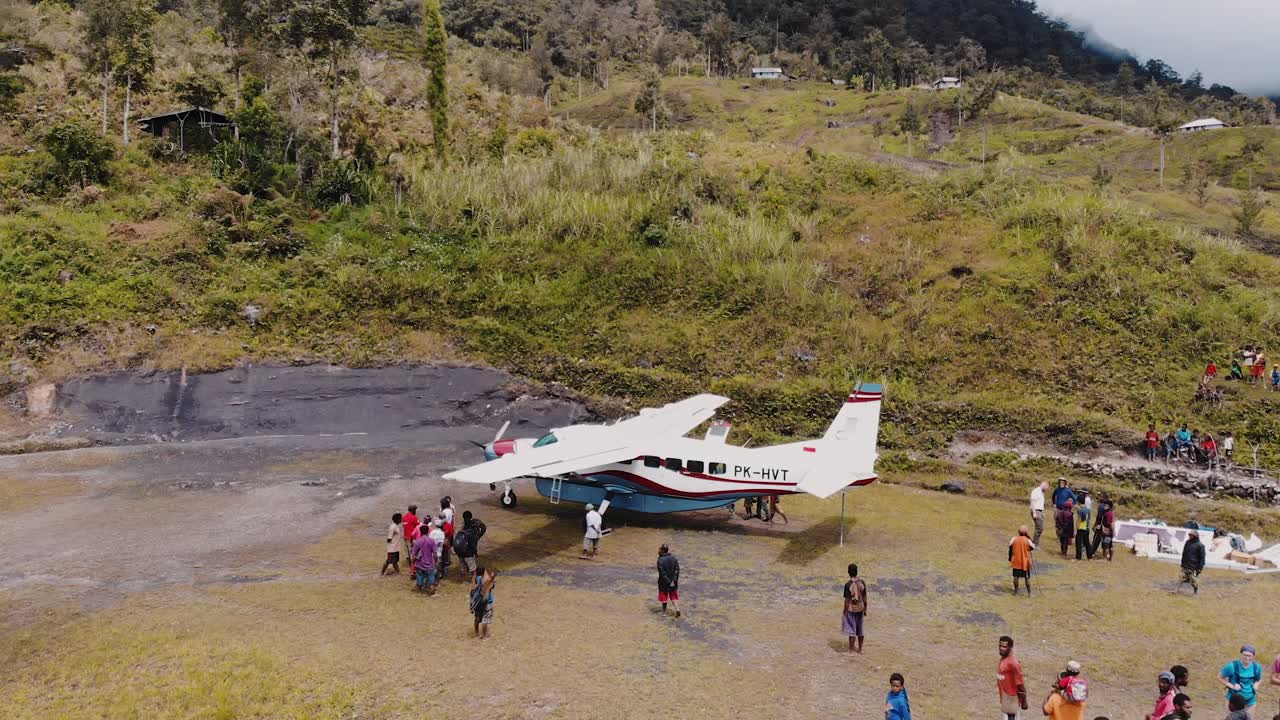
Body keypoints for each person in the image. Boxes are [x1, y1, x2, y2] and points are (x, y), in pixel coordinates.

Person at [1220, 646, 1263, 717]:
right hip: (1234, 702)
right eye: (1245, 655)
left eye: (1249, 656)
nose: (1247, 658)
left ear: (1253, 656)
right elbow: (1220, 677)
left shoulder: (1256, 667)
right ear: (1241, 654)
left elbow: (1259, 679)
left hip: (1250, 701)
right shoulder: (1232, 666)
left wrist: (1256, 684)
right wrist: (1232, 686)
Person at [997, 636, 1028, 720]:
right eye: (1000, 646)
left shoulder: (1013, 663)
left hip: (1011, 698)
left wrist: (1024, 700)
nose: (1001, 648)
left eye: (1004, 646)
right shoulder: (1004, 658)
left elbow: (1020, 683)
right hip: (1005, 697)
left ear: (1010, 648)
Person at [842, 563, 867, 653]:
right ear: (857, 572)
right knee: (860, 629)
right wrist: (865, 609)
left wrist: (844, 612)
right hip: (860, 608)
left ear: (848, 572)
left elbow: (847, 600)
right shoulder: (862, 582)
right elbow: (865, 597)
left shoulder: (848, 585)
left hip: (851, 610)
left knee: (851, 630)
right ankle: (860, 649)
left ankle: (851, 650)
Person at [409, 526, 437, 595]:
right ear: (428, 532)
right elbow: (435, 554)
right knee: (431, 585)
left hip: (420, 565)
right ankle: (431, 592)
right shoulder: (432, 541)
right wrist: (436, 562)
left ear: (420, 531)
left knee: (419, 584)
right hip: (429, 565)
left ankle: (419, 594)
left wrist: (412, 564)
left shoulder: (418, 541)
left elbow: (413, 555)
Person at [470, 565, 496, 639]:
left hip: (478, 602)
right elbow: (489, 584)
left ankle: (476, 634)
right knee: (485, 619)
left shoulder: (477, 578)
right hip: (487, 602)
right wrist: (492, 578)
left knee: (477, 618)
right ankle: (484, 636)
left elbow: (473, 586)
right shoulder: (488, 580)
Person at [1176, 530, 1206, 594]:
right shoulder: (1187, 542)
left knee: (1193, 581)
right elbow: (1184, 553)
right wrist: (1182, 563)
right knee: (1181, 577)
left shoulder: (1200, 545)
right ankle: (1176, 590)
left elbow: (1202, 558)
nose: (1190, 536)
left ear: (1195, 536)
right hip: (1185, 565)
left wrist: (1200, 568)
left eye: (1191, 535)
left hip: (1194, 566)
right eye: (1189, 535)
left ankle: (1195, 592)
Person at [1010, 526, 1035, 596]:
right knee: (1026, 578)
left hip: (1016, 561)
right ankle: (1029, 593)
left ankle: (1015, 592)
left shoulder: (1014, 539)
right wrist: (1029, 538)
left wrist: (1010, 558)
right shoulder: (1028, 540)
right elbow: (1033, 547)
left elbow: (1010, 547)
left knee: (1015, 576)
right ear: (1026, 533)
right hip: (1025, 562)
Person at [657, 544, 681, 617]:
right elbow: (677, 570)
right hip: (673, 582)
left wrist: (668, 581)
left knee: (664, 596)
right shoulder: (674, 558)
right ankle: (677, 609)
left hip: (664, 583)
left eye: (660, 549)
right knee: (673, 595)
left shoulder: (660, 560)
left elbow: (662, 573)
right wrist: (673, 581)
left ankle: (664, 613)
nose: (658, 550)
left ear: (663, 550)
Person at [1075, 493, 1093, 561]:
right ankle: (1090, 557)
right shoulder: (1088, 509)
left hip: (1081, 528)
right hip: (1086, 528)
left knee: (1079, 543)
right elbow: (1089, 519)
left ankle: (1078, 558)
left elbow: (1079, 520)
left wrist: (1076, 529)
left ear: (1079, 501)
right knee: (1087, 543)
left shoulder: (1080, 510)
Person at [1030, 481, 1048, 547]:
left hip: (1039, 511)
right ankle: (1034, 543)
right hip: (1036, 510)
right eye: (1046, 488)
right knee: (1040, 528)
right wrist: (1034, 512)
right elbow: (1032, 502)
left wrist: (1042, 512)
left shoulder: (1042, 493)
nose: (1046, 490)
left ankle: (1035, 542)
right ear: (1044, 485)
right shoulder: (1036, 491)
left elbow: (1040, 503)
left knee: (1038, 527)